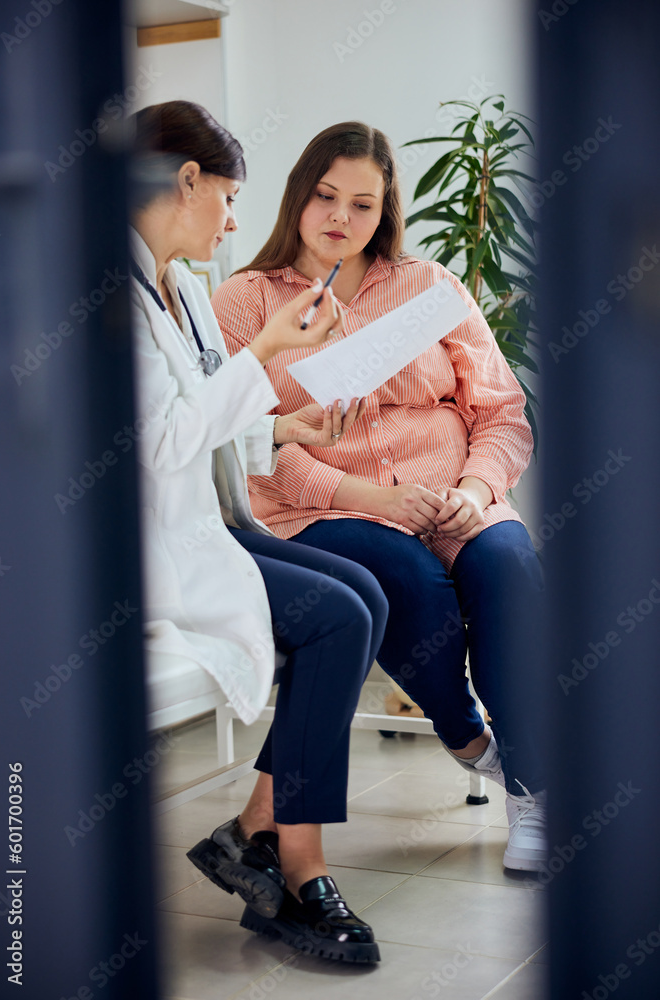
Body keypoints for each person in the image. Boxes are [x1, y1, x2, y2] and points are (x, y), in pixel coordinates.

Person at [212, 121, 547, 872]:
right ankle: (472, 741)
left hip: (452, 495)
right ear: (298, 196)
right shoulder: (245, 301)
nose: (340, 217)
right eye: (325, 196)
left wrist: (472, 489)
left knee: (507, 567)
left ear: (385, 209)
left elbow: (499, 412)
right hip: (324, 507)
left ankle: (532, 789)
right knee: (405, 578)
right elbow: (254, 446)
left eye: (362, 204)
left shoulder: (430, 287)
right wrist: (375, 497)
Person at [129, 101, 389, 964]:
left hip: (213, 521)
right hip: (158, 549)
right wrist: (266, 350)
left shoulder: (188, 289)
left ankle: (253, 829)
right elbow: (162, 437)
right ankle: (294, 865)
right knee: (338, 617)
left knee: (365, 595)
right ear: (185, 180)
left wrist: (287, 431)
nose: (236, 220)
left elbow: (212, 421)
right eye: (228, 197)